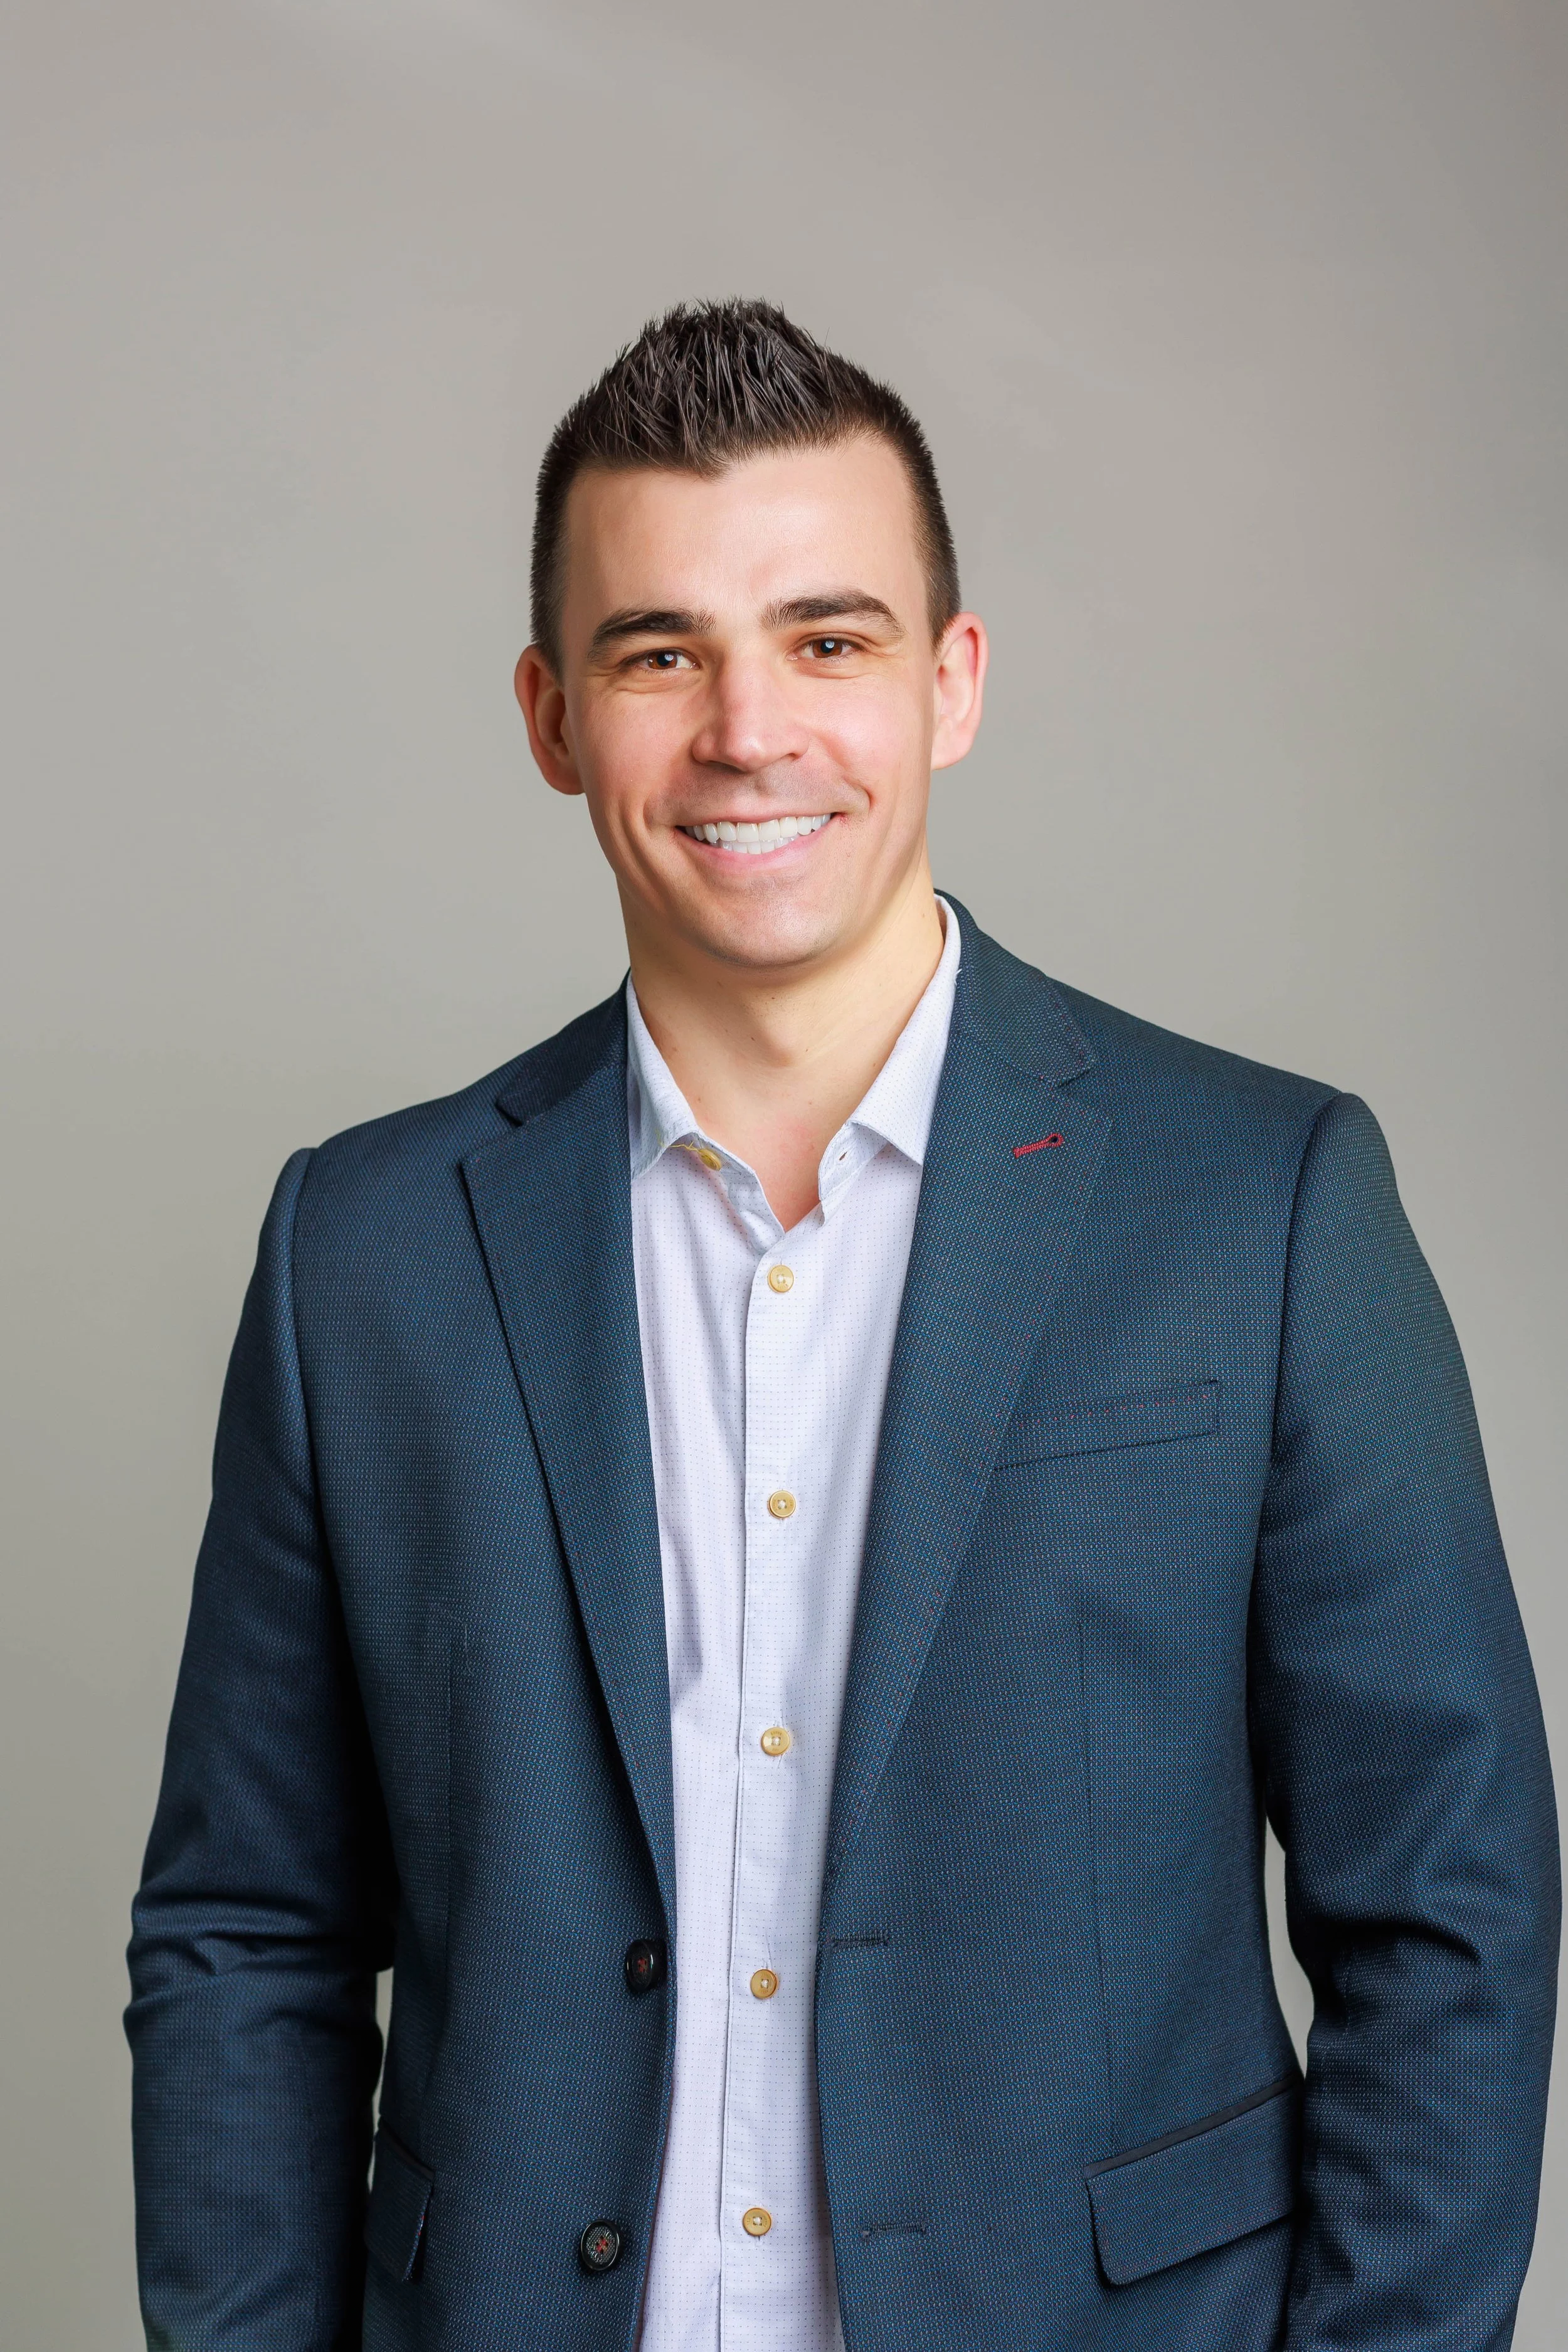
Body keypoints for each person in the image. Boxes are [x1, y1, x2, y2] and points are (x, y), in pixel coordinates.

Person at [127, 300, 1558, 2352]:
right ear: (549, 716)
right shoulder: (361, 1248)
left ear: (949, 682)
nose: (746, 730)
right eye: (657, 653)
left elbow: (1452, 1913)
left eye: (828, 636)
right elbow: (247, 1933)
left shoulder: (1256, 1206)